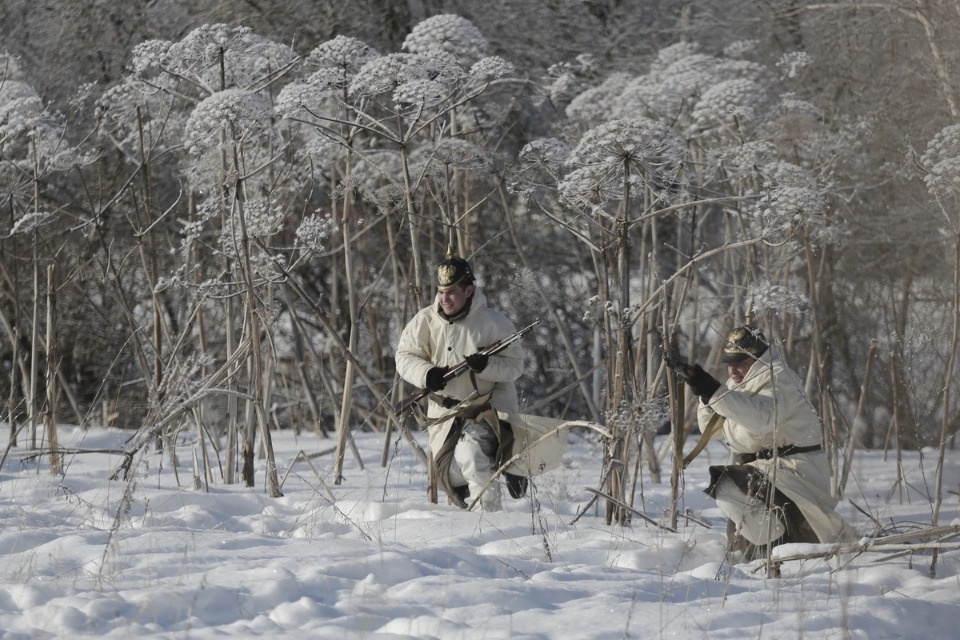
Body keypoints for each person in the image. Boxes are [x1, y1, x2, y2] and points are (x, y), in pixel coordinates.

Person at [676, 325, 853, 559]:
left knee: (728, 487)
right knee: (734, 497)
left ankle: (776, 551)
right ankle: (766, 552)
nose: (732, 371)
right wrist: (706, 393)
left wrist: (715, 391)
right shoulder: (740, 383)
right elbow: (713, 429)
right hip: (766, 472)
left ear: (757, 358)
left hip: (793, 470)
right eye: (729, 363)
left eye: (739, 362)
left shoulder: (779, 377)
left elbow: (763, 419)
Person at [395, 251, 527, 511]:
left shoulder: (496, 323)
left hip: (487, 411)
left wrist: (486, 366)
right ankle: (506, 467)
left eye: (452, 292)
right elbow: (404, 356)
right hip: (444, 415)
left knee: (472, 455)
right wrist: (427, 374)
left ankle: (489, 523)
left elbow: (514, 367)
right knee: (451, 475)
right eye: (441, 292)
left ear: (468, 290)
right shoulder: (425, 320)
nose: (445, 299)